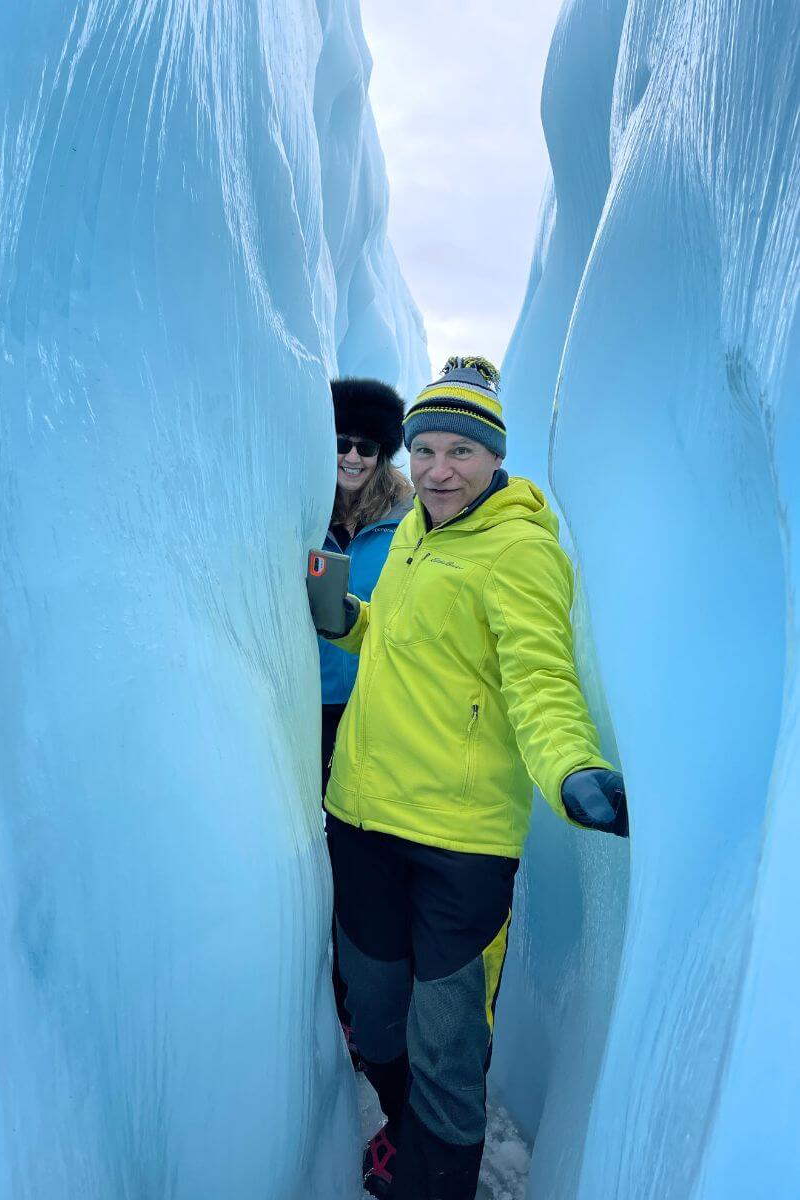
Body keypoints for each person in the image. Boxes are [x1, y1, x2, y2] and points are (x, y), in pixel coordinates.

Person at [317, 356, 628, 1200]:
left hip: (459, 844)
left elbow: (537, 678)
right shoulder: (419, 531)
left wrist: (572, 766)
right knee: (375, 1012)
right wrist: (351, 623)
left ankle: (434, 1179)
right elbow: (413, 647)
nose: (438, 470)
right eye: (424, 450)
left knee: (446, 1041)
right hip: (362, 819)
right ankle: (406, 1126)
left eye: (460, 451)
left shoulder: (521, 550)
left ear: (496, 458)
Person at [319, 377, 413, 1048]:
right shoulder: (299, 506)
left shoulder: (408, 520)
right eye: (341, 442)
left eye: (367, 446)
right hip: (304, 706)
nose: (352, 457)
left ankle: (363, 1004)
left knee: (364, 857)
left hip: (373, 709)